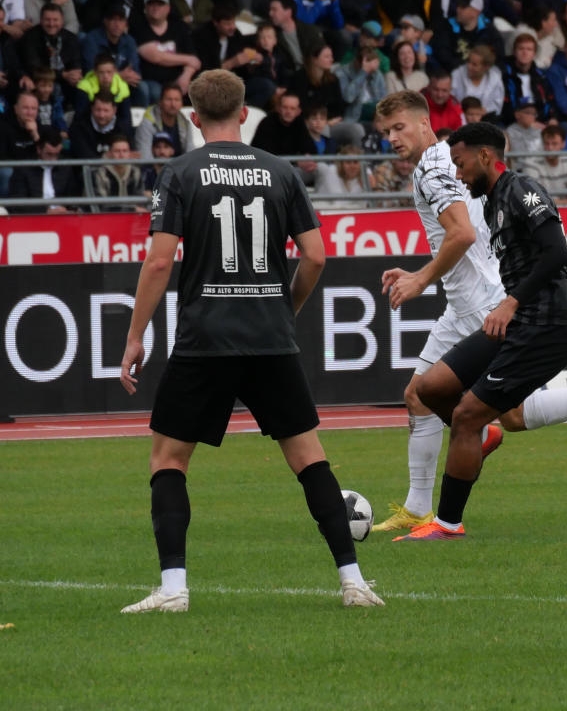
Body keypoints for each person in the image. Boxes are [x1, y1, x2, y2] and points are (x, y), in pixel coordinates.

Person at [116, 68, 383, 613]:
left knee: (168, 459)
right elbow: (315, 256)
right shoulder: (282, 171)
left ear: (194, 118)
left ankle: (173, 589)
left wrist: (135, 335)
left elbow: (160, 261)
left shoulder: (180, 172)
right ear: (243, 114)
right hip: (270, 337)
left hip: (206, 337)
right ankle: (354, 582)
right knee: (309, 458)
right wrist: (286, 310)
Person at [370, 97, 567, 536]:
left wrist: (420, 278)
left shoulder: (435, 168)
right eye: (386, 133)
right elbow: (469, 236)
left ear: (423, 122)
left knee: (500, 414)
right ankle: (421, 506)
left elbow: (462, 233)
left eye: (399, 127)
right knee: (422, 395)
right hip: (464, 302)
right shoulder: (447, 163)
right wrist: (426, 272)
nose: (392, 139)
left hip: (481, 305)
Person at [131, 0, 201, 100]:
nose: (155, 8)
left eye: (160, 4)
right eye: (151, 4)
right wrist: (187, 59)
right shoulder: (138, 27)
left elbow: (195, 61)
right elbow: (155, 56)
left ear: (168, 8)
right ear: (146, 8)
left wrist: (185, 76)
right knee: (156, 92)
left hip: (178, 79)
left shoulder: (179, 27)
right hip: (151, 81)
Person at [6, 127, 80, 213]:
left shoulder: (65, 167)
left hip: (62, 215)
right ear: (39, 149)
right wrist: (47, 211)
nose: (53, 160)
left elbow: (72, 198)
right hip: (35, 217)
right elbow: (17, 204)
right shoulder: (23, 169)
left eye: (56, 154)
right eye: (49, 154)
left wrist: (70, 210)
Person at [499, 31, 553, 124]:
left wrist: (552, 118)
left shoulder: (541, 76)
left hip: (539, 122)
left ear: (534, 54)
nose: (525, 53)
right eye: (521, 49)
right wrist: (527, 121)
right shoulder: (503, 74)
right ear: (514, 52)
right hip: (512, 123)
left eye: (529, 49)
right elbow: (504, 108)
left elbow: (549, 102)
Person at [135, 83, 195, 157]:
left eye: (177, 100)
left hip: (180, 164)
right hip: (155, 164)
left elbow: (191, 153)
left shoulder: (185, 123)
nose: (173, 104)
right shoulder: (147, 123)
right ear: (160, 102)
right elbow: (145, 156)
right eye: (169, 99)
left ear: (181, 103)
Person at [90, 134, 142, 211]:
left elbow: (140, 199)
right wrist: (132, 209)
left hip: (133, 216)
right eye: (117, 151)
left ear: (129, 153)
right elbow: (101, 204)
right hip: (106, 216)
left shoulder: (135, 172)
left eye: (125, 151)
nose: (121, 155)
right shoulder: (100, 173)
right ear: (109, 153)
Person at [450, 43, 504, 117]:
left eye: (474, 64)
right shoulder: (457, 75)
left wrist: (486, 110)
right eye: (468, 62)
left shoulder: (495, 79)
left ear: (486, 67)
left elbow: (497, 105)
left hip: (486, 118)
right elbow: (451, 101)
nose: (469, 66)